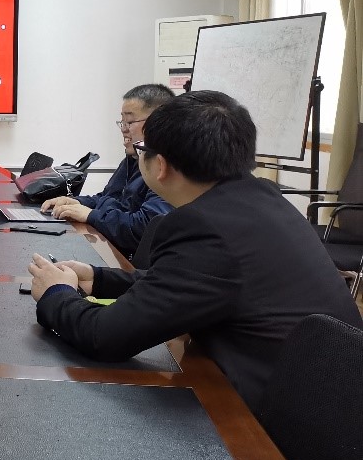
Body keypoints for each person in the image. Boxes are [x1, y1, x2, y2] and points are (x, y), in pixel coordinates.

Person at [27, 90, 363, 413]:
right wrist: (99, 279)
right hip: (330, 401)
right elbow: (193, 283)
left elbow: (104, 337)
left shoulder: (205, 228)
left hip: (272, 425)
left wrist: (56, 292)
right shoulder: (262, 199)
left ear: (161, 166)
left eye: (143, 148)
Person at [41, 83, 175, 258]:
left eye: (129, 122)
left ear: (157, 121)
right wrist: (75, 202)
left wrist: (92, 215)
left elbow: (142, 228)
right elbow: (108, 197)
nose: (124, 129)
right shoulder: (132, 159)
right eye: (122, 122)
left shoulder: (167, 168)